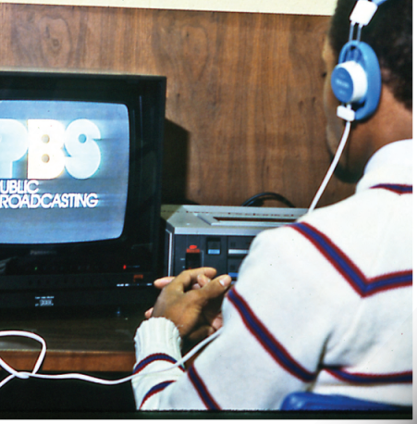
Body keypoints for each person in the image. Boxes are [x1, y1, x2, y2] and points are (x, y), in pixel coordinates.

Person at [131, 0, 412, 410]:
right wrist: (256, 322)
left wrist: (160, 332)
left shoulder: (310, 255)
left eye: (325, 72)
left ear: (356, 82)